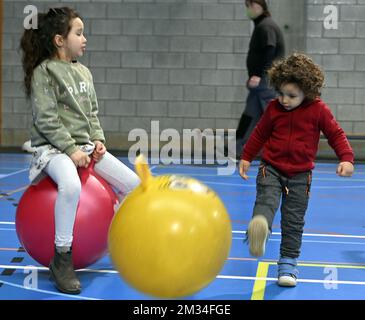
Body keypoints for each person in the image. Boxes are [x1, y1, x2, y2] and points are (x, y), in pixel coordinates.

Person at [20, 7, 140, 294]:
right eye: (78, 33)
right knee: (71, 185)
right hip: (53, 149)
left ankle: (116, 239)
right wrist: (71, 149)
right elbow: (46, 119)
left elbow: (92, 114)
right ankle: (62, 258)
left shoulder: (83, 71)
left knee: (134, 185)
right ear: (60, 40)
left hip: (84, 147)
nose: (85, 39)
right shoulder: (44, 72)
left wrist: (97, 140)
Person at [239, 53, 354, 287]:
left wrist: (346, 158)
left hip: (300, 175)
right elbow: (260, 133)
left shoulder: (319, 111)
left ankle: (288, 264)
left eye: (292, 96)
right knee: (266, 201)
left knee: (293, 221)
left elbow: (335, 134)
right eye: (281, 93)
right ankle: (259, 229)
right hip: (270, 167)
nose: (284, 100)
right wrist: (247, 157)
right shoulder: (273, 108)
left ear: (308, 93)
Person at [234, 0, 285, 158]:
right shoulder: (262, 25)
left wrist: (258, 74)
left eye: (248, 6)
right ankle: (238, 148)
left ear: (257, 6)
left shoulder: (266, 26)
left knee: (274, 116)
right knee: (250, 115)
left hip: (266, 82)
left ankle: (283, 150)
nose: (248, 10)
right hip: (260, 84)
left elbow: (270, 49)